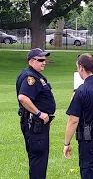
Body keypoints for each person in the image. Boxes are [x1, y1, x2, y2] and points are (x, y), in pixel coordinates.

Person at [16, 48, 55, 179]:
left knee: (38, 160)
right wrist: (40, 114)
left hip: (37, 124)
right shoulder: (30, 77)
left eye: (45, 59)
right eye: (41, 60)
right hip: (35, 125)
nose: (44, 62)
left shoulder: (34, 75)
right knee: (39, 160)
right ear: (32, 61)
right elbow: (23, 97)